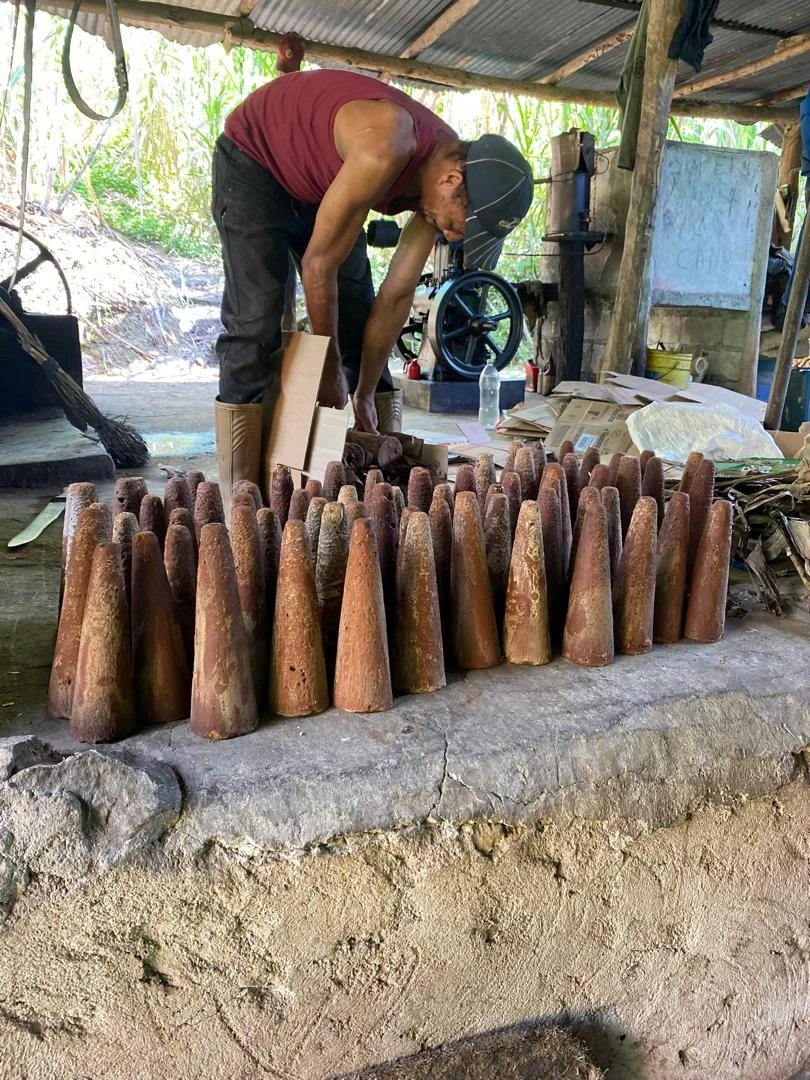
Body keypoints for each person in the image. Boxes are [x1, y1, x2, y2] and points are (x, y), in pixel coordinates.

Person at [212, 68, 533, 499]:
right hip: (255, 162)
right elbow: (318, 266)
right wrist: (329, 368)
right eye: (462, 227)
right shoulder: (388, 144)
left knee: (357, 308)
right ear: (451, 181)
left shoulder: (445, 176)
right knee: (256, 320)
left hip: (318, 184)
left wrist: (363, 389)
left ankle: (382, 461)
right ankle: (244, 494)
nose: (455, 238)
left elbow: (397, 293)